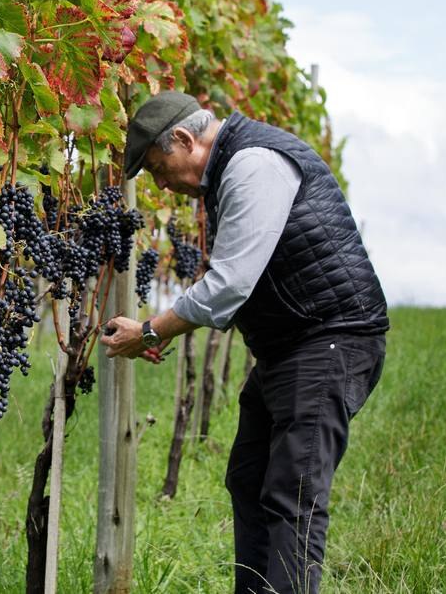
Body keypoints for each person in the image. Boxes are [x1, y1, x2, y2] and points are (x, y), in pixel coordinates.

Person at [100, 91, 389, 594]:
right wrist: (167, 324)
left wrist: (151, 328)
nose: (162, 184)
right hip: (290, 345)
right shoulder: (233, 167)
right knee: (250, 479)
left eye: (157, 167)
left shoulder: (253, 164)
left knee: (293, 494)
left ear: (186, 139)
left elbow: (230, 285)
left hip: (329, 340)